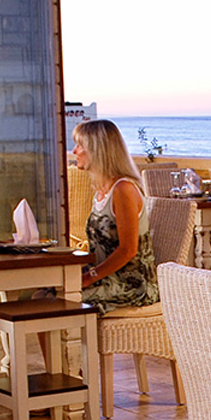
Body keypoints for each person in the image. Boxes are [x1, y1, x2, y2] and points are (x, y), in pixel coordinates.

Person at [71, 119, 157, 312]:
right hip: (106, 278)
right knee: (42, 294)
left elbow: (128, 250)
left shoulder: (123, 189)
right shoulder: (101, 191)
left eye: (79, 145)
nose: (74, 151)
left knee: (59, 300)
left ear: (97, 150)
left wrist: (90, 277)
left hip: (132, 284)